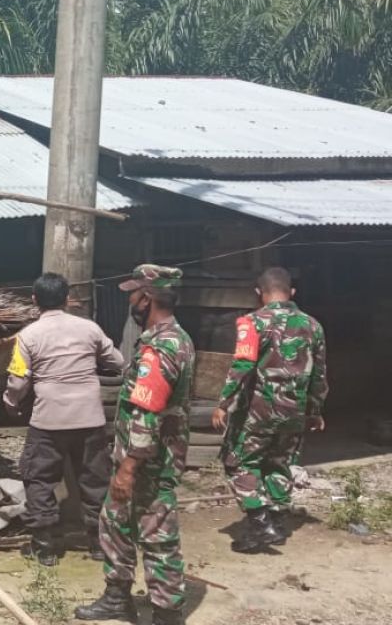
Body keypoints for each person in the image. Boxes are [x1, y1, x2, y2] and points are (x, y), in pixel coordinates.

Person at [76, 265, 195, 625]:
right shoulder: (167, 339)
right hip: (139, 457)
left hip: (147, 462)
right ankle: (117, 597)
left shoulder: (162, 347)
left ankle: (166, 612)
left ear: (147, 298)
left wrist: (128, 469)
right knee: (115, 523)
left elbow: (146, 412)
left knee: (157, 535)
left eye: (133, 293)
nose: (129, 299)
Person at [3, 272, 124, 566]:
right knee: (95, 480)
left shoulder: (28, 336)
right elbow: (118, 362)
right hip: (89, 418)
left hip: (48, 420)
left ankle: (45, 546)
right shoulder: (90, 329)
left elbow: (18, 383)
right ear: (68, 299)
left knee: (39, 479)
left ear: (34, 301)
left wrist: (10, 402)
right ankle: (98, 544)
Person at [212, 266, 327, 553]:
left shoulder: (252, 322)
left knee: (237, 462)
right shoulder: (313, 325)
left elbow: (242, 365)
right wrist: (314, 410)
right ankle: (271, 524)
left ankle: (261, 520)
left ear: (258, 293)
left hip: (258, 410)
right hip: (294, 412)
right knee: (279, 464)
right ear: (292, 292)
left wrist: (224, 403)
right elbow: (319, 374)